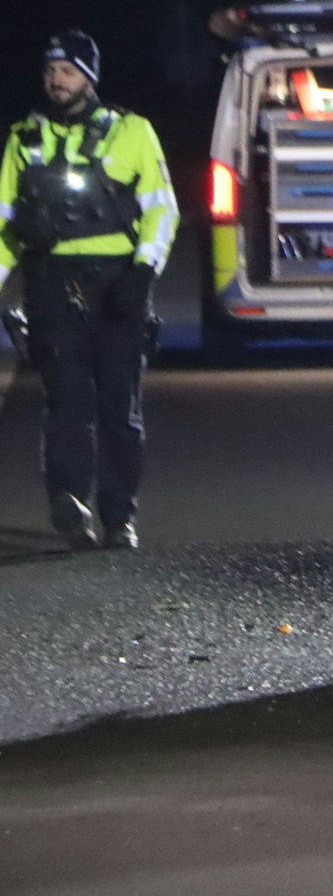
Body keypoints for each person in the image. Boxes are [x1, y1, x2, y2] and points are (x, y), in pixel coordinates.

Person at [0, 31, 179, 549]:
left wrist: (143, 273)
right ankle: (71, 507)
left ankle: (119, 517)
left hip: (118, 284)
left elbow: (162, 210)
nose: (56, 80)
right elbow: (6, 226)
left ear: (90, 77)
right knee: (66, 405)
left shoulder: (132, 132)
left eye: (68, 70)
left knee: (120, 411)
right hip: (52, 287)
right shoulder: (22, 139)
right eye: (50, 70)